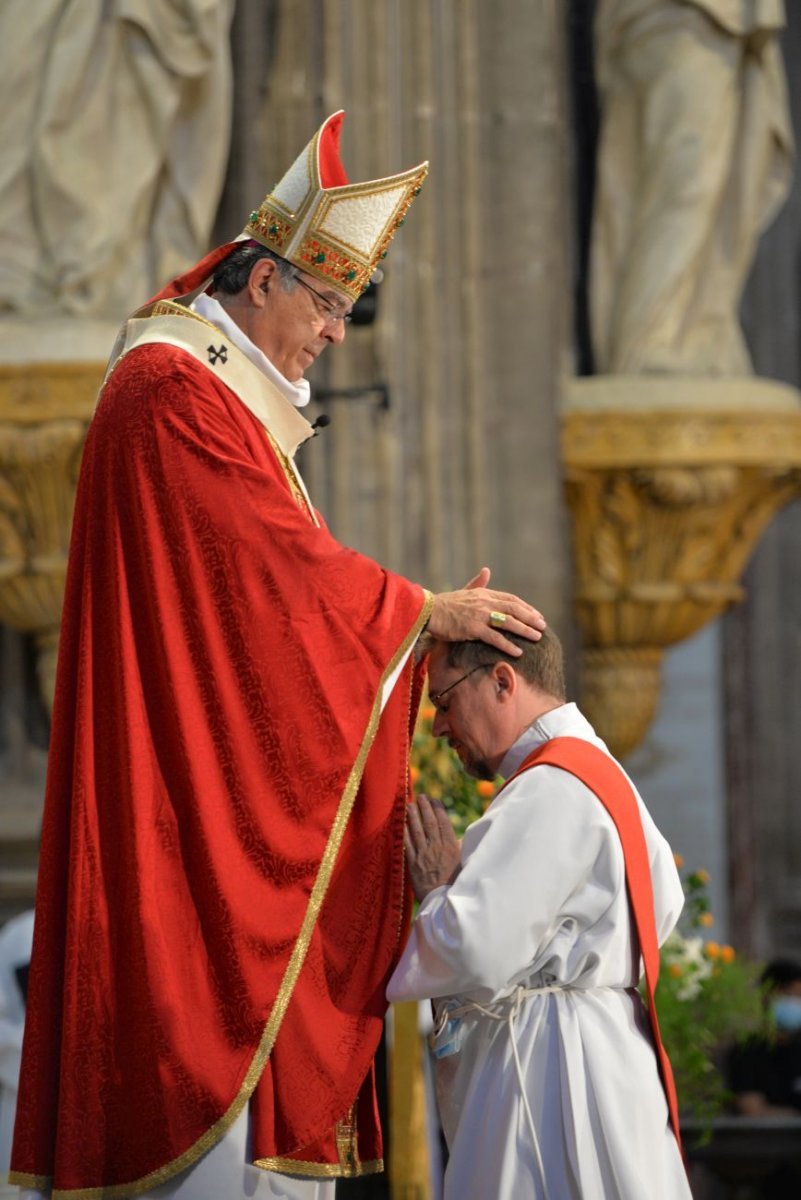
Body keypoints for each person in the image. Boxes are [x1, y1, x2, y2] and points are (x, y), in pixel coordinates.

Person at [9, 112, 545, 1200]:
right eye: (331, 303)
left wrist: (407, 620)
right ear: (264, 284)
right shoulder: (173, 389)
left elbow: (273, 588)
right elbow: (272, 585)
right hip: (183, 823)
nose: (339, 335)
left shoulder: (208, 395)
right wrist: (417, 614)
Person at [387, 629, 691, 1199]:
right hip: (605, 1053)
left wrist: (436, 891)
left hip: (548, 1070)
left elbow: (475, 950)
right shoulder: (596, 772)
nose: (438, 727)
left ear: (502, 681)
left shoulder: (551, 787)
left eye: (445, 701)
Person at [591, 0, 793, 375]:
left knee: (729, 185)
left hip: (724, 22)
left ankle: (699, 330)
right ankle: (648, 340)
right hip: (678, 16)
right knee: (687, 179)